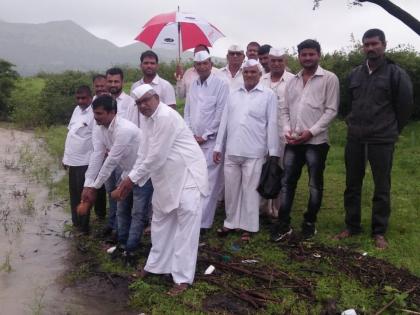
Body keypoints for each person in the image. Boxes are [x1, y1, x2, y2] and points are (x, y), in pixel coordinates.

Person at [117, 84, 208, 296]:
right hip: (166, 178)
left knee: (186, 228)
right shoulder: (147, 119)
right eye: (139, 103)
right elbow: (144, 152)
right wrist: (127, 178)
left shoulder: (166, 116)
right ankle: (156, 266)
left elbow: (156, 156)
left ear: (157, 97)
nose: (143, 106)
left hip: (188, 176)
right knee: (160, 222)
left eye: (146, 100)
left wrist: (131, 181)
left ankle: (183, 279)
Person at [334, 29, 413, 249]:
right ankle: (352, 226)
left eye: (374, 44)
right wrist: (351, 121)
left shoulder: (396, 73)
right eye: (366, 44)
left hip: (382, 138)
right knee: (352, 184)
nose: (370, 48)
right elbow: (347, 104)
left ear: (384, 45)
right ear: (362, 47)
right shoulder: (354, 74)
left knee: (381, 186)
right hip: (356, 138)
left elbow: (405, 106)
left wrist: (393, 129)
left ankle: (379, 232)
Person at [271, 39, 339, 242]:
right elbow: (284, 109)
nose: (307, 58)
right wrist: (286, 129)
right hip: (293, 141)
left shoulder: (329, 78)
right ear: (298, 56)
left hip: (316, 143)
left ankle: (310, 222)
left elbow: (331, 110)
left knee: (314, 184)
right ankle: (283, 223)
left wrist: (311, 132)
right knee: (287, 182)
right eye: (304, 54)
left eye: (311, 54)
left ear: (319, 55)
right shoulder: (292, 80)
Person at [213, 59, 280, 242]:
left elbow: (272, 123)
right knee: (231, 190)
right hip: (232, 150)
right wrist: (219, 146)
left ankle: (249, 227)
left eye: (253, 72)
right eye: (246, 72)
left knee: (251, 190)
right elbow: (224, 121)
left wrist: (273, 152)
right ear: (243, 74)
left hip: (255, 150)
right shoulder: (233, 94)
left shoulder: (268, 95)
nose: (249, 75)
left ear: (260, 74)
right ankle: (230, 222)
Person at [81, 95, 152, 265]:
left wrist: (94, 188)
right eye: (94, 113)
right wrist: (88, 184)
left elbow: (111, 160)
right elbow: (97, 156)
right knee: (122, 210)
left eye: (99, 114)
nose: (95, 117)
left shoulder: (124, 129)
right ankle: (122, 244)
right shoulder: (99, 128)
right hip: (127, 171)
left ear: (112, 112)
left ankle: (131, 249)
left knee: (138, 213)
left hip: (143, 173)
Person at [184, 51, 229, 231]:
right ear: (194, 67)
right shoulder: (193, 85)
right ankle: (193, 217)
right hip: (193, 141)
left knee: (210, 183)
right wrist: (190, 134)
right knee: (194, 180)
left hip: (211, 141)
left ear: (210, 64)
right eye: (198, 64)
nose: (202, 67)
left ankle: (203, 223)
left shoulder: (221, 84)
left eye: (205, 63)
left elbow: (221, 113)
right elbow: (187, 112)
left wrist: (206, 135)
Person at [260, 48, 294, 218]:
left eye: (280, 60)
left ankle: (279, 210)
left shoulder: (292, 80)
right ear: (268, 61)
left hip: (284, 134)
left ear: (285, 61)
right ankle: (264, 207)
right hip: (262, 134)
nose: (276, 63)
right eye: (273, 60)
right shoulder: (262, 79)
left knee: (280, 171)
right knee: (264, 170)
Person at [103, 67, 135, 237]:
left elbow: (130, 129)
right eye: (110, 81)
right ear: (106, 82)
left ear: (122, 82)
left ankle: (120, 228)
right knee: (110, 191)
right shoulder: (101, 100)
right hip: (107, 156)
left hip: (124, 157)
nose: (113, 84)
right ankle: (111, 223)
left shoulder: (130, 102)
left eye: (116, 81)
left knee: (121, 191)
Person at [62, 86, 98, 234]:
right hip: (73, 160)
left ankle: (84, 226)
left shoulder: (94, 113)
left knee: (85, 195)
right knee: (74, 193)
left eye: (83, 98)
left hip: (86, 161)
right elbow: (71, 134)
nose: (80, 101)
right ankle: (76, 222)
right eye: (78, 98)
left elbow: (97, 139)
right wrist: (65, 157)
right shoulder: (77, 110)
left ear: (90, 97)